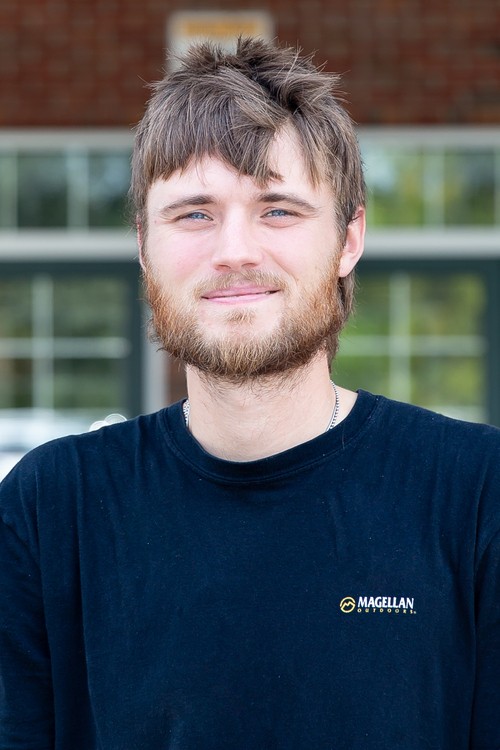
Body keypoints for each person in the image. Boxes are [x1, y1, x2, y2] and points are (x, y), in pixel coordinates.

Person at [0, 37, 498, 750]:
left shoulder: (476, 494)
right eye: (194, 214)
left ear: (349, 239)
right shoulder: (51, 510)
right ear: (143, 246)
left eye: (278, 210)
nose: (234, 251)